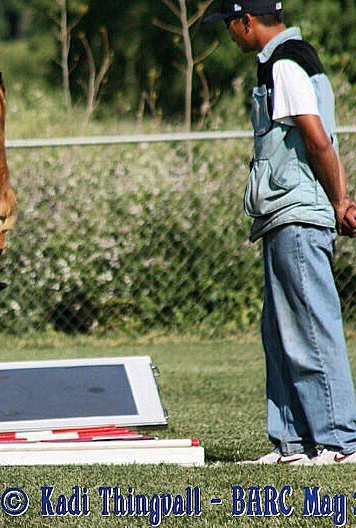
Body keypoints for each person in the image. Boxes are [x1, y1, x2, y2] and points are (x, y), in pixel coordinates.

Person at [204, 0, 356, 464]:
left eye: (228, 24)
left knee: (311, 327)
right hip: (283, 213)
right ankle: (293, 444)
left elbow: (315, 137)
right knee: (280, 331)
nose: (229, 34)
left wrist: (339, 202)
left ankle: (340, 442)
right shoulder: (281, 61)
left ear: (246, 20)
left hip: (297, 213)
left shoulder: (286, 63)